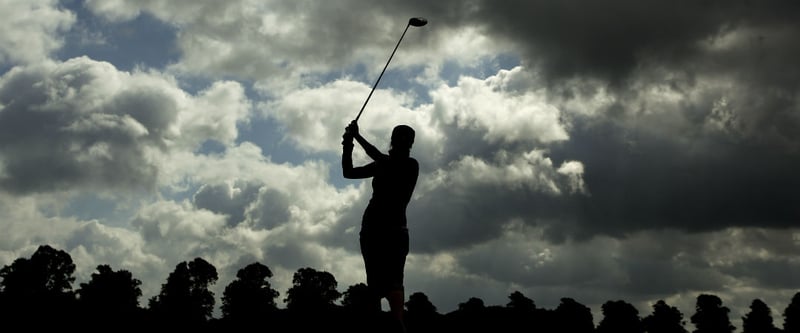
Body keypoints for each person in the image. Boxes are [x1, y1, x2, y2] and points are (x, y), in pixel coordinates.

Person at [342, 120, 419, 329]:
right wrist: (347, 145)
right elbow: (348, 172)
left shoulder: (408, 165)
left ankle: (393, 324)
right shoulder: (387, 164)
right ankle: (394, 325)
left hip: (380, 229)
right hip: (384, 230)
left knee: (383, 282)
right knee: (386, 282)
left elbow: (376, 159)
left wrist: (355, 138)